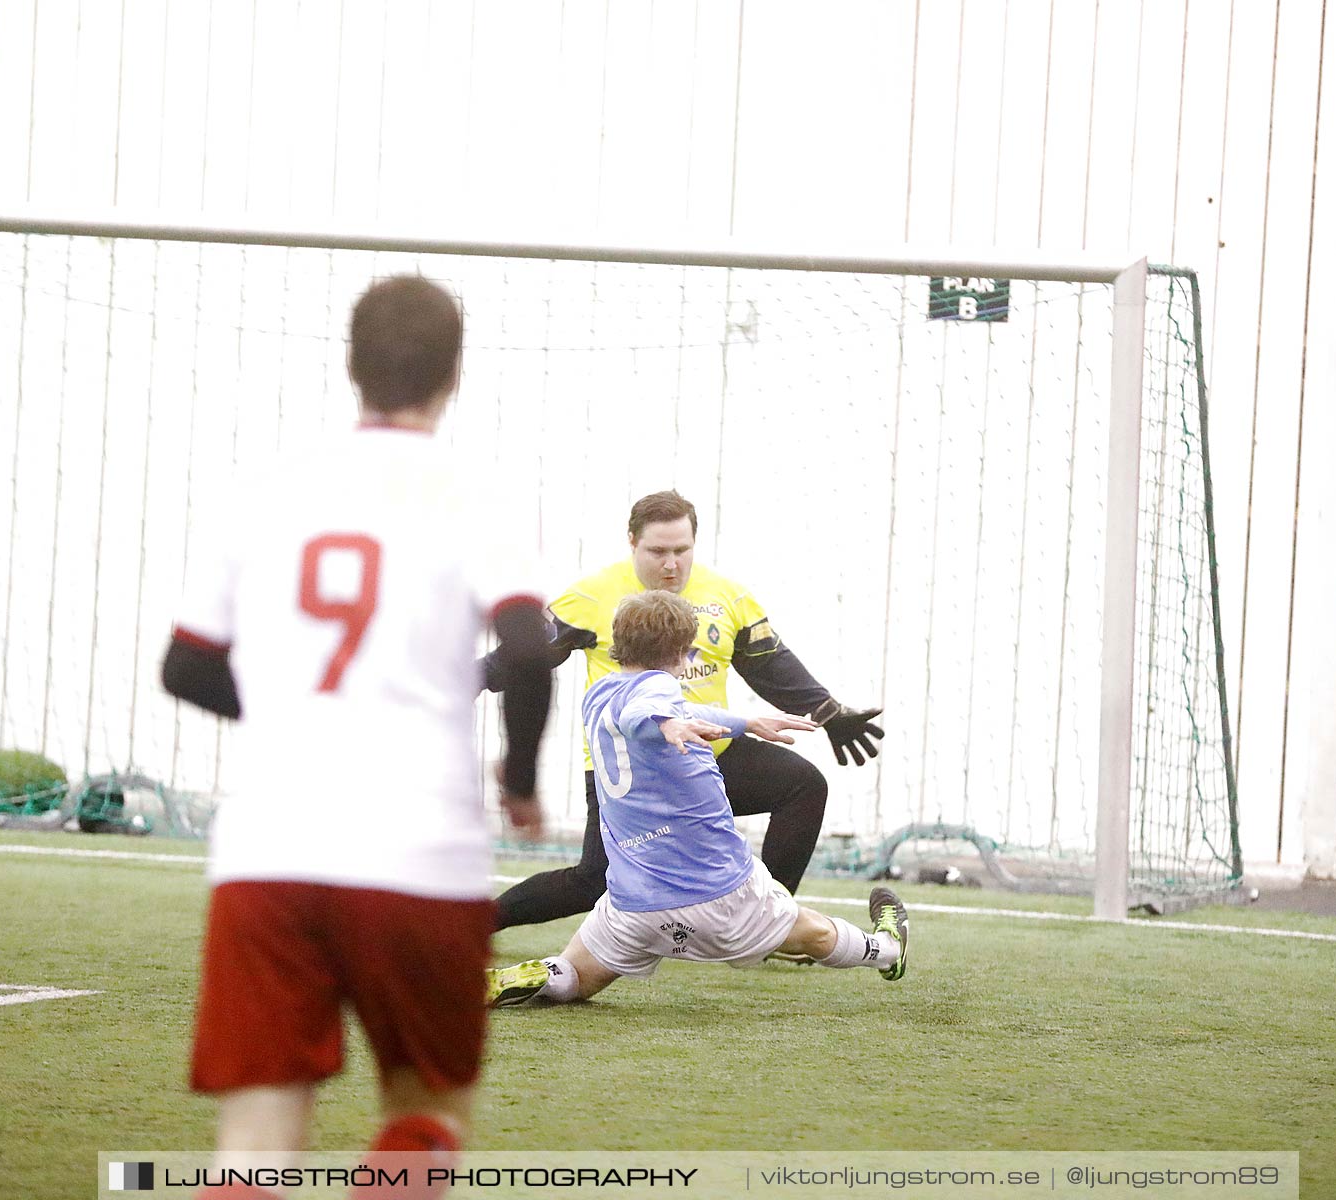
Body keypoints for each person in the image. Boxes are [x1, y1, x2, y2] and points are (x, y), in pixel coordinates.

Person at [161, 275, 555, 1200]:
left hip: (270, 851)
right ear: (454, 375)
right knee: (424, 1116)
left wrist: (299, 712)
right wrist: (521, 777)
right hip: (419, 853)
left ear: (350, 366)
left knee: (254, 1142)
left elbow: (185, 667)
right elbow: (530, 648)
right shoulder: (474, 493)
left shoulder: (266, 488)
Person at [486, 489, 885, 931]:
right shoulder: (592, 595)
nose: (671, 563)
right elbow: (527, 655)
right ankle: (479, 922)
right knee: (594, 881)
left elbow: (770, 663)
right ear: (632, 542)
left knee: (803, 786)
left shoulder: (728, 597)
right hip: (629, 773)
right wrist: (469, 678)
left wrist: (826, 710)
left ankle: (767, 923)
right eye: (658, 551)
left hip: (703, 761)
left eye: (682, 550)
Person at [485, 591, 908, 1008]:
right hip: (717, 894)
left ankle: (530, 978)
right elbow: (648, 711)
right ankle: (887, 948)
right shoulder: (658, 693)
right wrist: (667, 723)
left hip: (634, 903)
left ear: (618, 642)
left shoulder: (600, 696)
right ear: (684, 652)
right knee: (812, 932)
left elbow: (660, 711)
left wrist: (745, 722)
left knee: (575, 977)